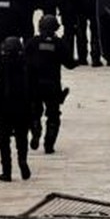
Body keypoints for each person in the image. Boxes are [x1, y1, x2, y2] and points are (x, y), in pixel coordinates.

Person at [25, 14, 77, 154]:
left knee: (34, 112)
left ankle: (35, 130)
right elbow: (69, 64)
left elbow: (24, 60)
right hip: (52, 85)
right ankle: (49, 144)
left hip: (34, 85)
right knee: (53, 115)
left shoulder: (32, 43)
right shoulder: (59, 44)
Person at [0, 36, 32, 181]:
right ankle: (22, 160)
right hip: (23, 108)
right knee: (21, 137)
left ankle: (7, 171)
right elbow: (33, 87)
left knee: (3, 141)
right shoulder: (26, 65)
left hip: (4, 109)